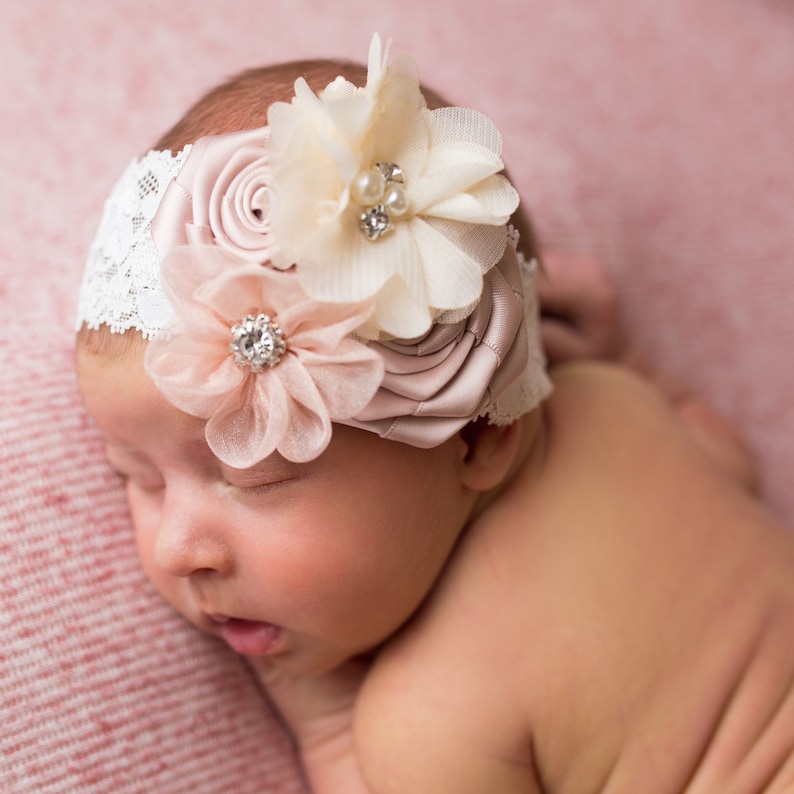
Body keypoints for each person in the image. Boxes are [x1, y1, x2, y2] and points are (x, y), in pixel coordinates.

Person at [75, 34, 794, 793]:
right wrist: (616, 360)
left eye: (253, 477)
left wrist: (329, 723)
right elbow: (728, 464)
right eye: (135, 476)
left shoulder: (430, 718)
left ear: (477, 434)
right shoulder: (625, 404)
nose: (178, 549)